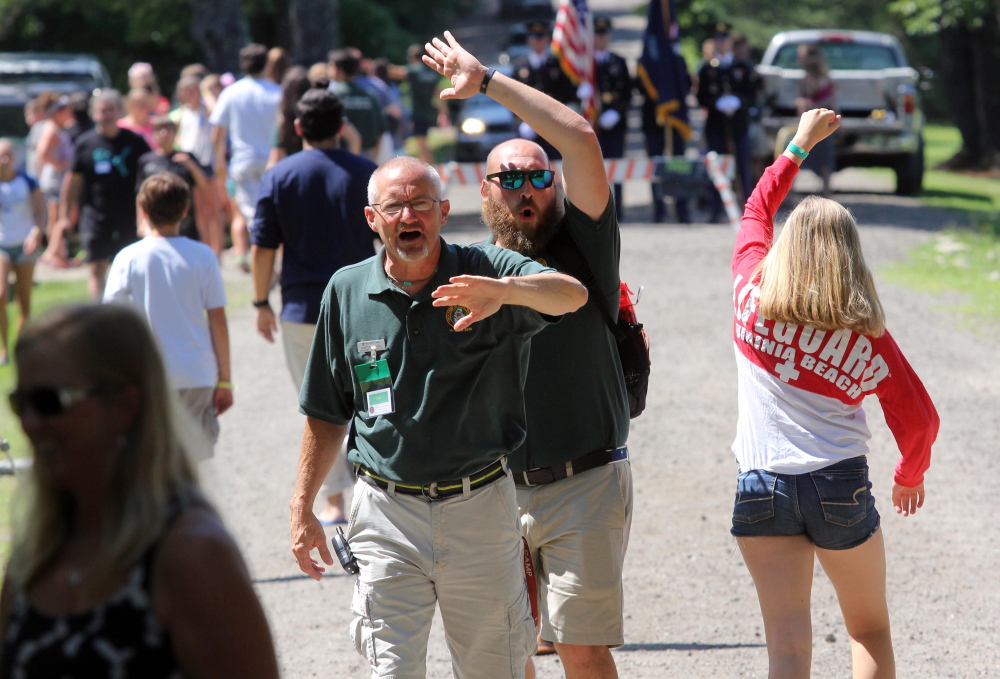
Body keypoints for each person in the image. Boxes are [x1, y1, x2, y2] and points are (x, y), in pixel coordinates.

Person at [288, 146, 588, 675]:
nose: (409, 216)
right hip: (385, 516)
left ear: (444, 212)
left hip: (479, 510)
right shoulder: (347, 291)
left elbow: (572, 295)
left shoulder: (484, 269)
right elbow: (326, 412)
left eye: (422, 204)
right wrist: (302, 507)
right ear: (372, 219)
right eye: (395, 207)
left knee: (493, 668)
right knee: (391, 670)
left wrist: (503, 292)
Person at [446, 29, 632, 678]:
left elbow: (579, 135)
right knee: (506, 653)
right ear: (485, 192)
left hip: (583, 479)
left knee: (581, 649)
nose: (526, 190)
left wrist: (489, 83)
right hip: (493, 492)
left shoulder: (584, 245)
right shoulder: (466, 265)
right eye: (510, 179)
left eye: (538, 177)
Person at [730, 108, 939, 678]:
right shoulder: (867, 336)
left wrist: (797, 146)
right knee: (867, 628)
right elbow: (918, 418)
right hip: (839, 484)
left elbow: (756, 210)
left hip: (761, 482)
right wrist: (909, 475)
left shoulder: (749, 287)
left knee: (788, 648)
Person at [0, 303, 278, 678]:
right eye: (21, 403)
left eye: (50, 402)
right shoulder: (37, 550)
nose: (30, 423)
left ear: (124, 404)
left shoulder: (191, 556)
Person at [252, 88, 378, 526]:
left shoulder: (278, 176)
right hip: (366, 308)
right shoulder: (368, 173)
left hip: (303, 310)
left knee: (320, 410)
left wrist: (259, 300)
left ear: (298, 128)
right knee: (371, 399)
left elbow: (263, 247)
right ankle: (373, 490)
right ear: (342, 127)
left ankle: (335, 502)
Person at [103, 173, 231, 450]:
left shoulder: (127, 258)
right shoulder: (203, 256)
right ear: (186, 210)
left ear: (143, 210)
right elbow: (218, 321)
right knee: (192, 459)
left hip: (145, 374)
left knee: (150, 456)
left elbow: (110, 323)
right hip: (197, 373)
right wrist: (226, 380)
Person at [54, 89, 151, 299]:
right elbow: (72, 181)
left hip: (128, 216)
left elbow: (149, 176)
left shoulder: (135, 142)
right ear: (93, 113)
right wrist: (64, 216)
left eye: (110, 110)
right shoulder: (85, 143)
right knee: (97, 268)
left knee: (130, 268)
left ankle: (128, 318)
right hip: (95, 215)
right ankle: (99, 317)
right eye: (101, 111)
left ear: (119, 112)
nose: (106, 115)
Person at [210, 43, 282, 270]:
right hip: (274, 160)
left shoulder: (232, 92)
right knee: (274, 215)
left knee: (254, 219)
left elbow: (216, 134)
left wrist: (219, 161)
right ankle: (274, 265)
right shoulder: (276, 92)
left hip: (243, 162)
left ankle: (263, 267)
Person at [697, 24, 759, 220]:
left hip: (738, 124)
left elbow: (752, 92)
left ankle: (750, 211)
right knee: (717, 168)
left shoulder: (742, 66)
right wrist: (716, 103)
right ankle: (716, 210)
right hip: (716, 125)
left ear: (731, 42)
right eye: (719, 40)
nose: (722, 44)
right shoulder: (707, 68)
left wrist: (739, 102)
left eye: (725, 40)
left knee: (743, 167)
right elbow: (701, 96)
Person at [0, 139, 46, 367]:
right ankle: (2, 348)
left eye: (8, 155)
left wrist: (36, 233)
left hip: (25, 244)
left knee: (24, 301)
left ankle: (21, 348)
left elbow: (40, 212)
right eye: (1, 156)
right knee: (0, 294)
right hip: (2, 245)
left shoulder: (27, 182)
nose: (4, 160)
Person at [137, 117, 217, 247]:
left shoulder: (186, 157)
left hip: (184, 221)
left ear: (175, 133)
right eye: (159, 130)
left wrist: (190, 165)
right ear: (153, 134)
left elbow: (203, 184)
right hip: (154, 222)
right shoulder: (146, 160)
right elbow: (140, 194)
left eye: (168, 129)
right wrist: (141, 222)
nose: (164, 133)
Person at [511, 21, 577, 160]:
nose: (538, 42)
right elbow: (512, 97)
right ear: (529, 40)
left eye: (541, 38)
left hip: (554, 126)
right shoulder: (520, 66)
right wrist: (521, 122)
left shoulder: (557, 64)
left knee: (555, 169)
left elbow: (567, 94)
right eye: (535, 38)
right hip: (529, 126)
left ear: (546, 39)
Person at [593, 16, 630, 222]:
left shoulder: (619, 62)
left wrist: (616, 112)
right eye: (597, 34)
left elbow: (627, 93)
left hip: (614, 123)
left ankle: (619, 209)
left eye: (604, 34)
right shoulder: (583, 63)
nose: (601, 38)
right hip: (592, 124)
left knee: (617, 167)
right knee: (594, 169)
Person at [327, 48, 388, 160]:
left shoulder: (332, 95)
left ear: (339, 69)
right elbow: (381, 130)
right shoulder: (370, 95)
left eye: (330, 66)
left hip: (338, 156)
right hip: (366, 156)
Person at [35, 96, 74, 267]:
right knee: (56, 217)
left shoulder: (57, 128)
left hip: (57, 179)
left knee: (58, 217)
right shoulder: (52, 129)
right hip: (54, 180)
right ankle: (53, 254)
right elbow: (42, 151)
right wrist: (59, 164)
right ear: (57, 112)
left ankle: (56, 252)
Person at [795, 44, 837, 197]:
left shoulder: (822, 78)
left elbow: (831, 100)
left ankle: (827, 190)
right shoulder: (806, 77)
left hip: (821, 122)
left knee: (824, 157)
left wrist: (811, 105)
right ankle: (790, 191)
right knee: (798, 153)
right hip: (807, 123)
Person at [404, 44, 450, 164]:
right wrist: (443, 113)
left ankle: (429, 169)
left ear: (412, 57)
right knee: (423, 142)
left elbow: (395, 72)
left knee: (422, 143)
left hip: (418, 112)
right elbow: (439, 93)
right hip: (428, 112)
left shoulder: (414, 71)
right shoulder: (431, 73)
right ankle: (427, 167)